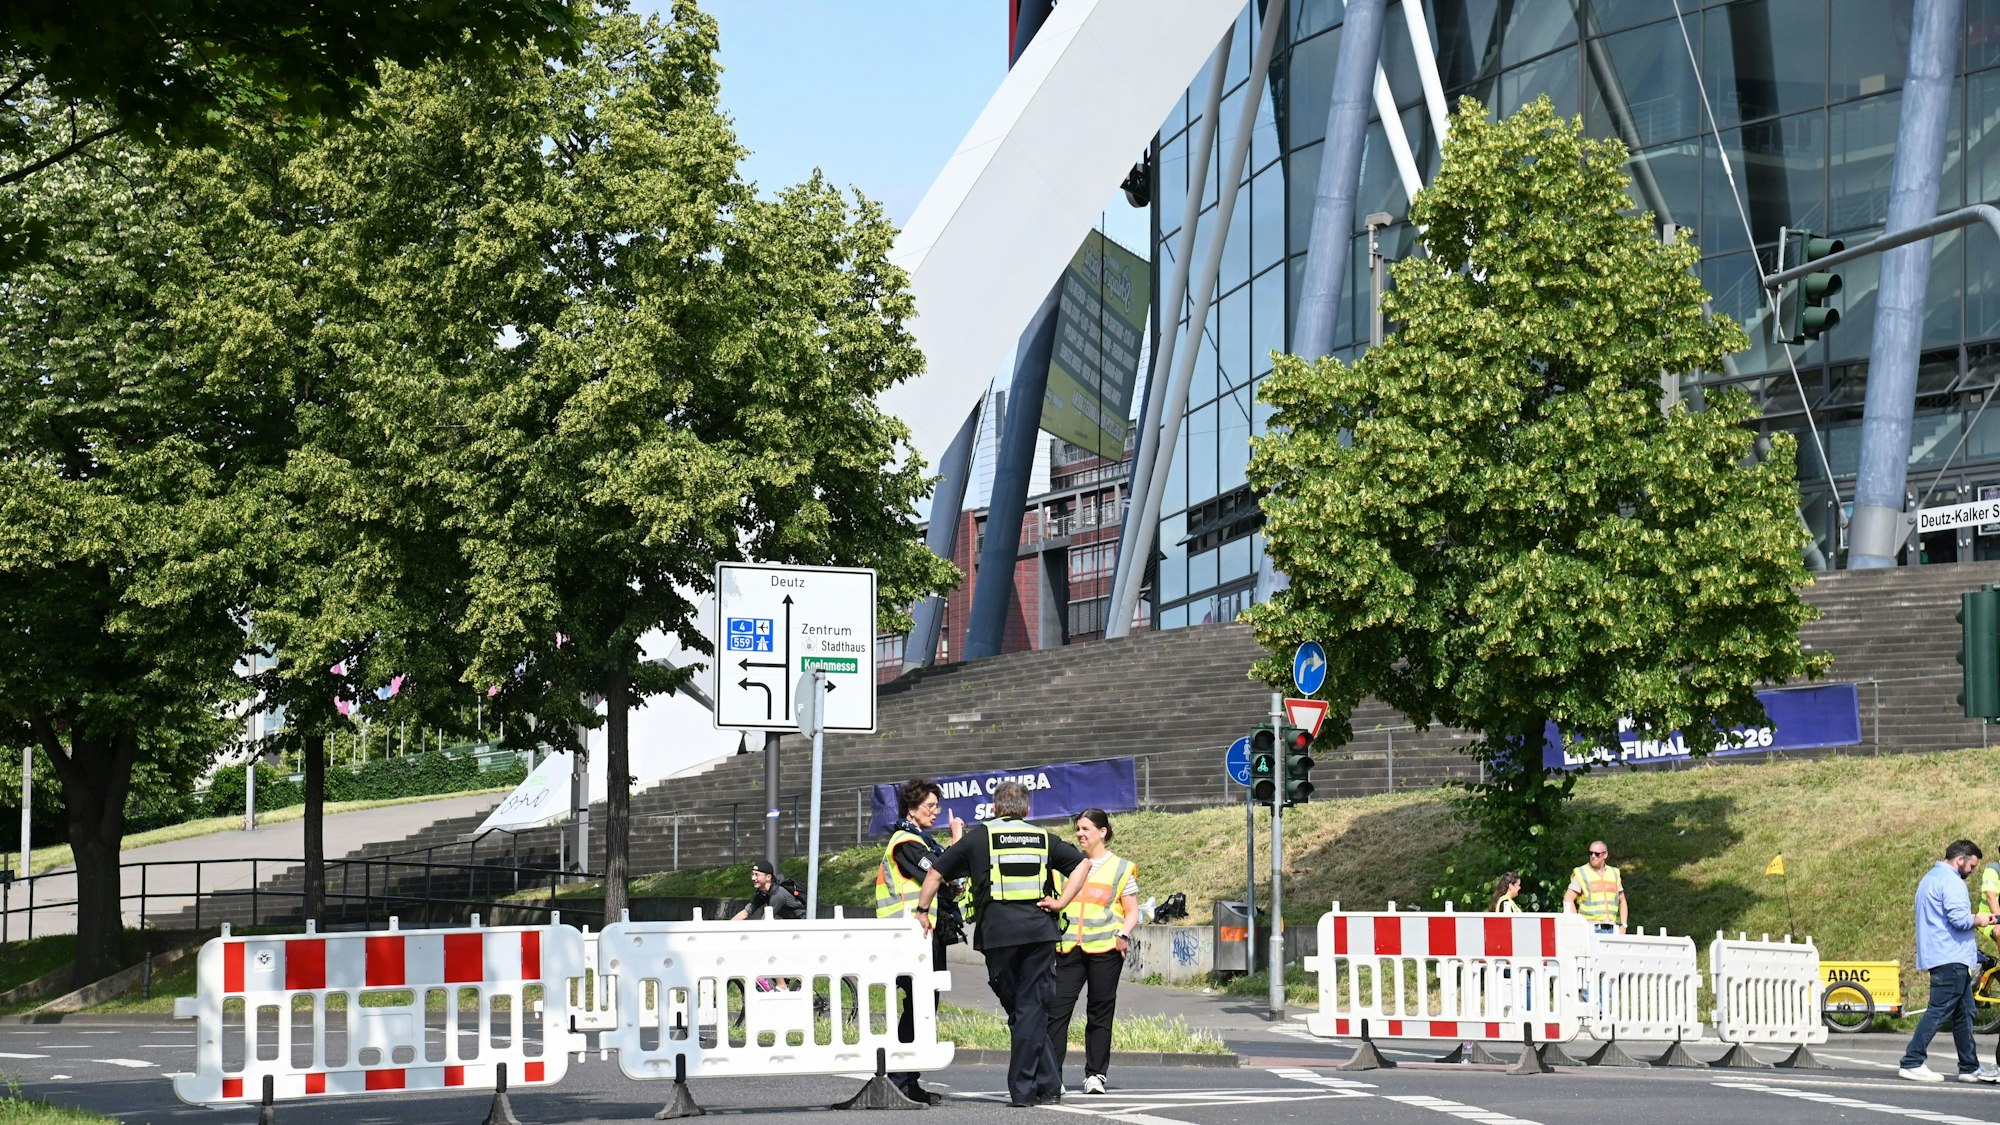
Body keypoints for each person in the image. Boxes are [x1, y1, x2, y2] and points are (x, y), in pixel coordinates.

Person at [914, 781, 1084, 1108]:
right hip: (1039, 932)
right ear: (1027, 809)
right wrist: (1062, 901)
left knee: (1022, 1008)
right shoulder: (1043, 837)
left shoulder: (980, 837)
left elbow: (935, 873)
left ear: (994, 808)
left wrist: (922, 911)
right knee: (1030, 1008)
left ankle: (1024, 1090)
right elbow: (1082, 864)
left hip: (998, 934)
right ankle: (1048, 1084)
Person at [874, 778, 964, 1105]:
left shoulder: (921, 841)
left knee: (922, 1005)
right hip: (910, 934)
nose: (935, 812)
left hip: (924, 933)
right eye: (930, 806)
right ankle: (900, 1080)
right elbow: (937, 872)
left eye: (937, 806)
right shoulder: (905, 842)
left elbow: (943, 878)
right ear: (911, 808)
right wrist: (957, 841)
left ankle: (908, 1080)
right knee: (917, 1005)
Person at [1046, 809, 1139, 1095]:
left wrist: (1123, 934)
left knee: (1100, 1012)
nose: (1080, 834)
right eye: (1078, 829)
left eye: (1086, 829)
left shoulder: (1120, 868)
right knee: (1057, 1011)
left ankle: (1096, 1075)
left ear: (1103, 832)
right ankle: (1052, 1077)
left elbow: (1132, 911)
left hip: (1105, 949)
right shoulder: (1064, 865)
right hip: (1068, 947)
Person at [1900, 840, 2000, 1083]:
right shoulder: (1952, 881)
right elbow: (1960, 920)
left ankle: (1969, 1067)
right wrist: (1981, 919)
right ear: (1960, 860)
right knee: (1939, 1010)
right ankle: (1912, 1061)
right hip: (1950, 956)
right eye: (1972, 866)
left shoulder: (1929, 878)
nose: (1972, 871)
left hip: (1941, 954)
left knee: (1964, 1013)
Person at [1564, 841, 1626, 933]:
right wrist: (1577, 925)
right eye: (1591, 853)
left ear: (1605, 855)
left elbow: (1622, 901)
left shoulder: (1614, 873)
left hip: (1611, 928)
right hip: (1590, 928)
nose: (1593, 856)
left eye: (1597, 854)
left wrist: (1623, 925)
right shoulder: (1582, 873)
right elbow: (1568, 899)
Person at [730, 859, 805, 921]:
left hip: (803, 926)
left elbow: (764, 923)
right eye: (752, 874)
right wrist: (726, 927)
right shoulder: (763, 893)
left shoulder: (777, 895)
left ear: (768, 877)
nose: (753, 878)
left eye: (757, 875)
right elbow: (745, 913)